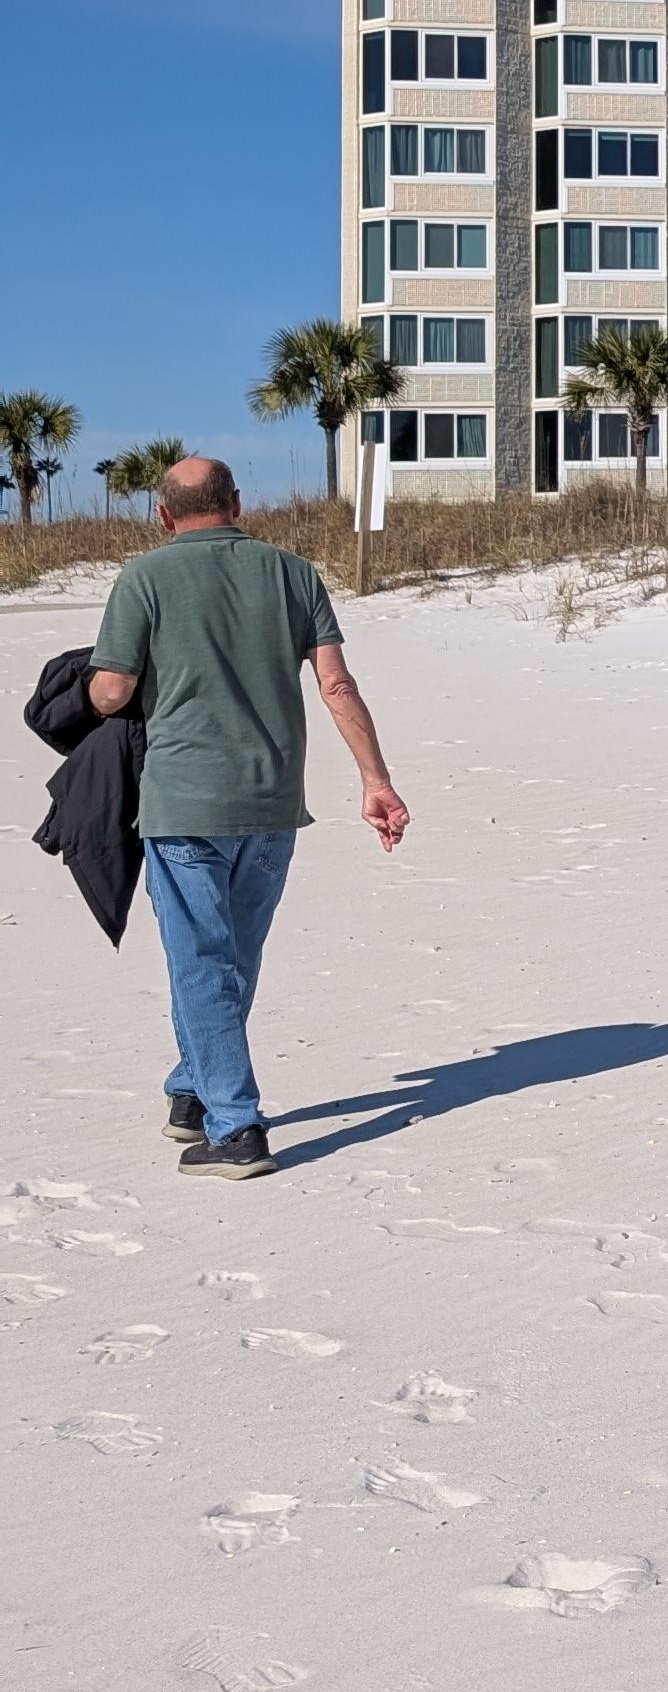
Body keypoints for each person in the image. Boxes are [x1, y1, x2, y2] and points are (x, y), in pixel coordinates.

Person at [86, 455, 407, 1176]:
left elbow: (110, 692)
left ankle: (235, 1127)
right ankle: (191, 1090)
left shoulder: (143, 577)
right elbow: (336, 684)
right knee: (231, 957)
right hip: (271, 802)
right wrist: (375, 780)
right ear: (235, 501)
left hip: (183, 800)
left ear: (162, 515)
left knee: (201, 960)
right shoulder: (295, 573)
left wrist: (94, 688)